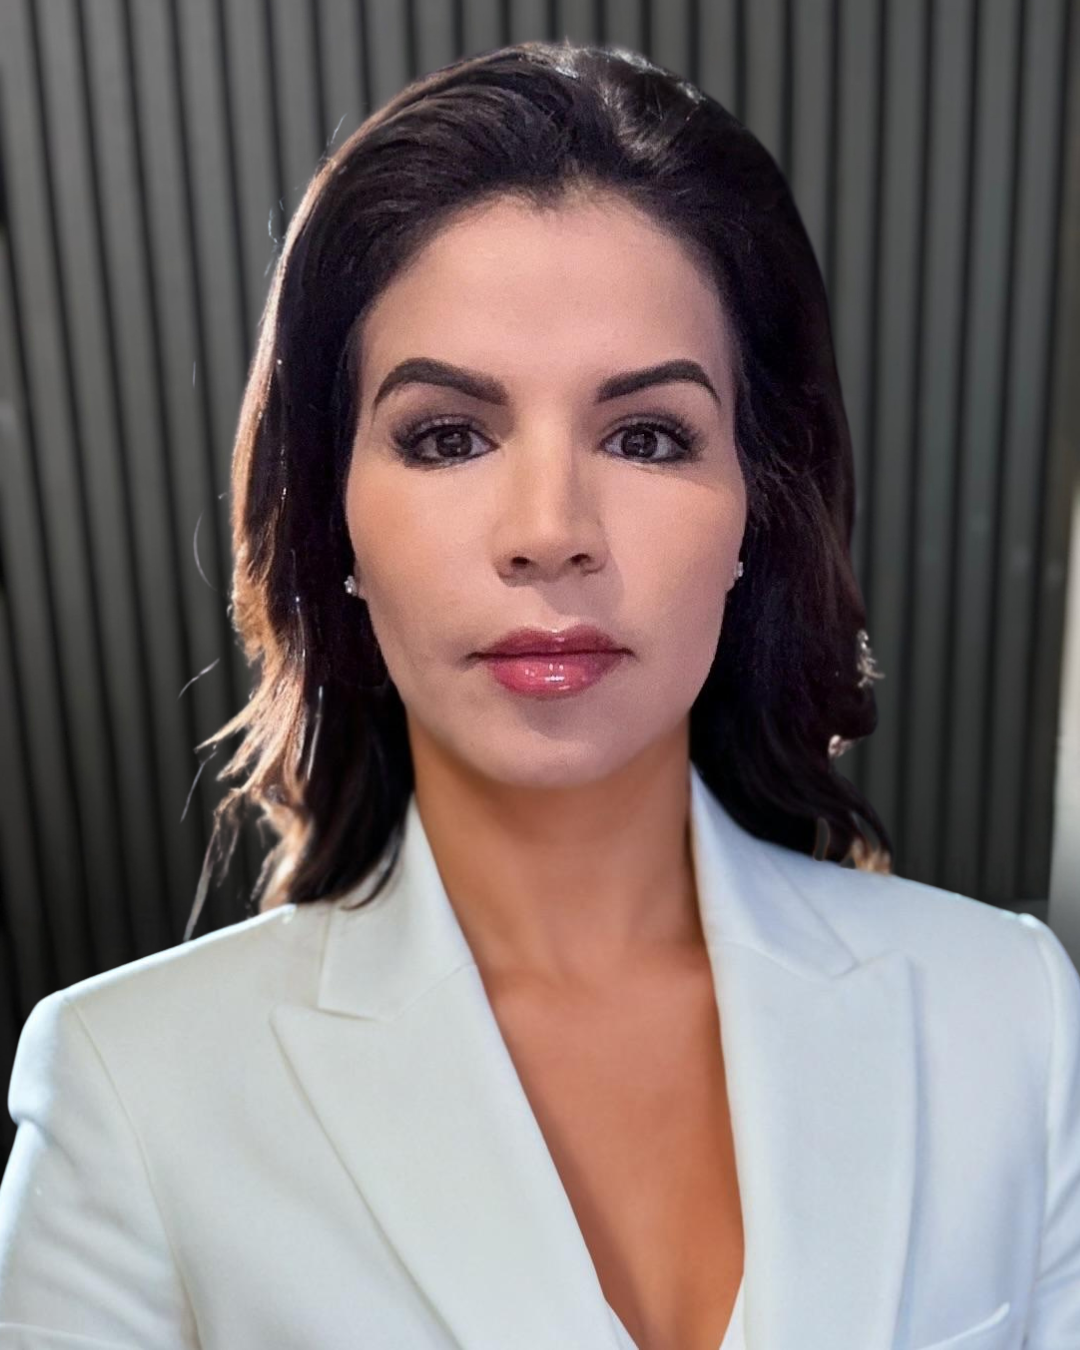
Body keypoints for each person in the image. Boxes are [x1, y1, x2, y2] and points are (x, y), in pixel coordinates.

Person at [0, 36, 1077, 1350]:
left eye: (647, 436)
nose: (551, 530)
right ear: (336, 522)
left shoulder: (1007, 1015)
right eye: (448, 436)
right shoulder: (128, 1092)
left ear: (755, 506)